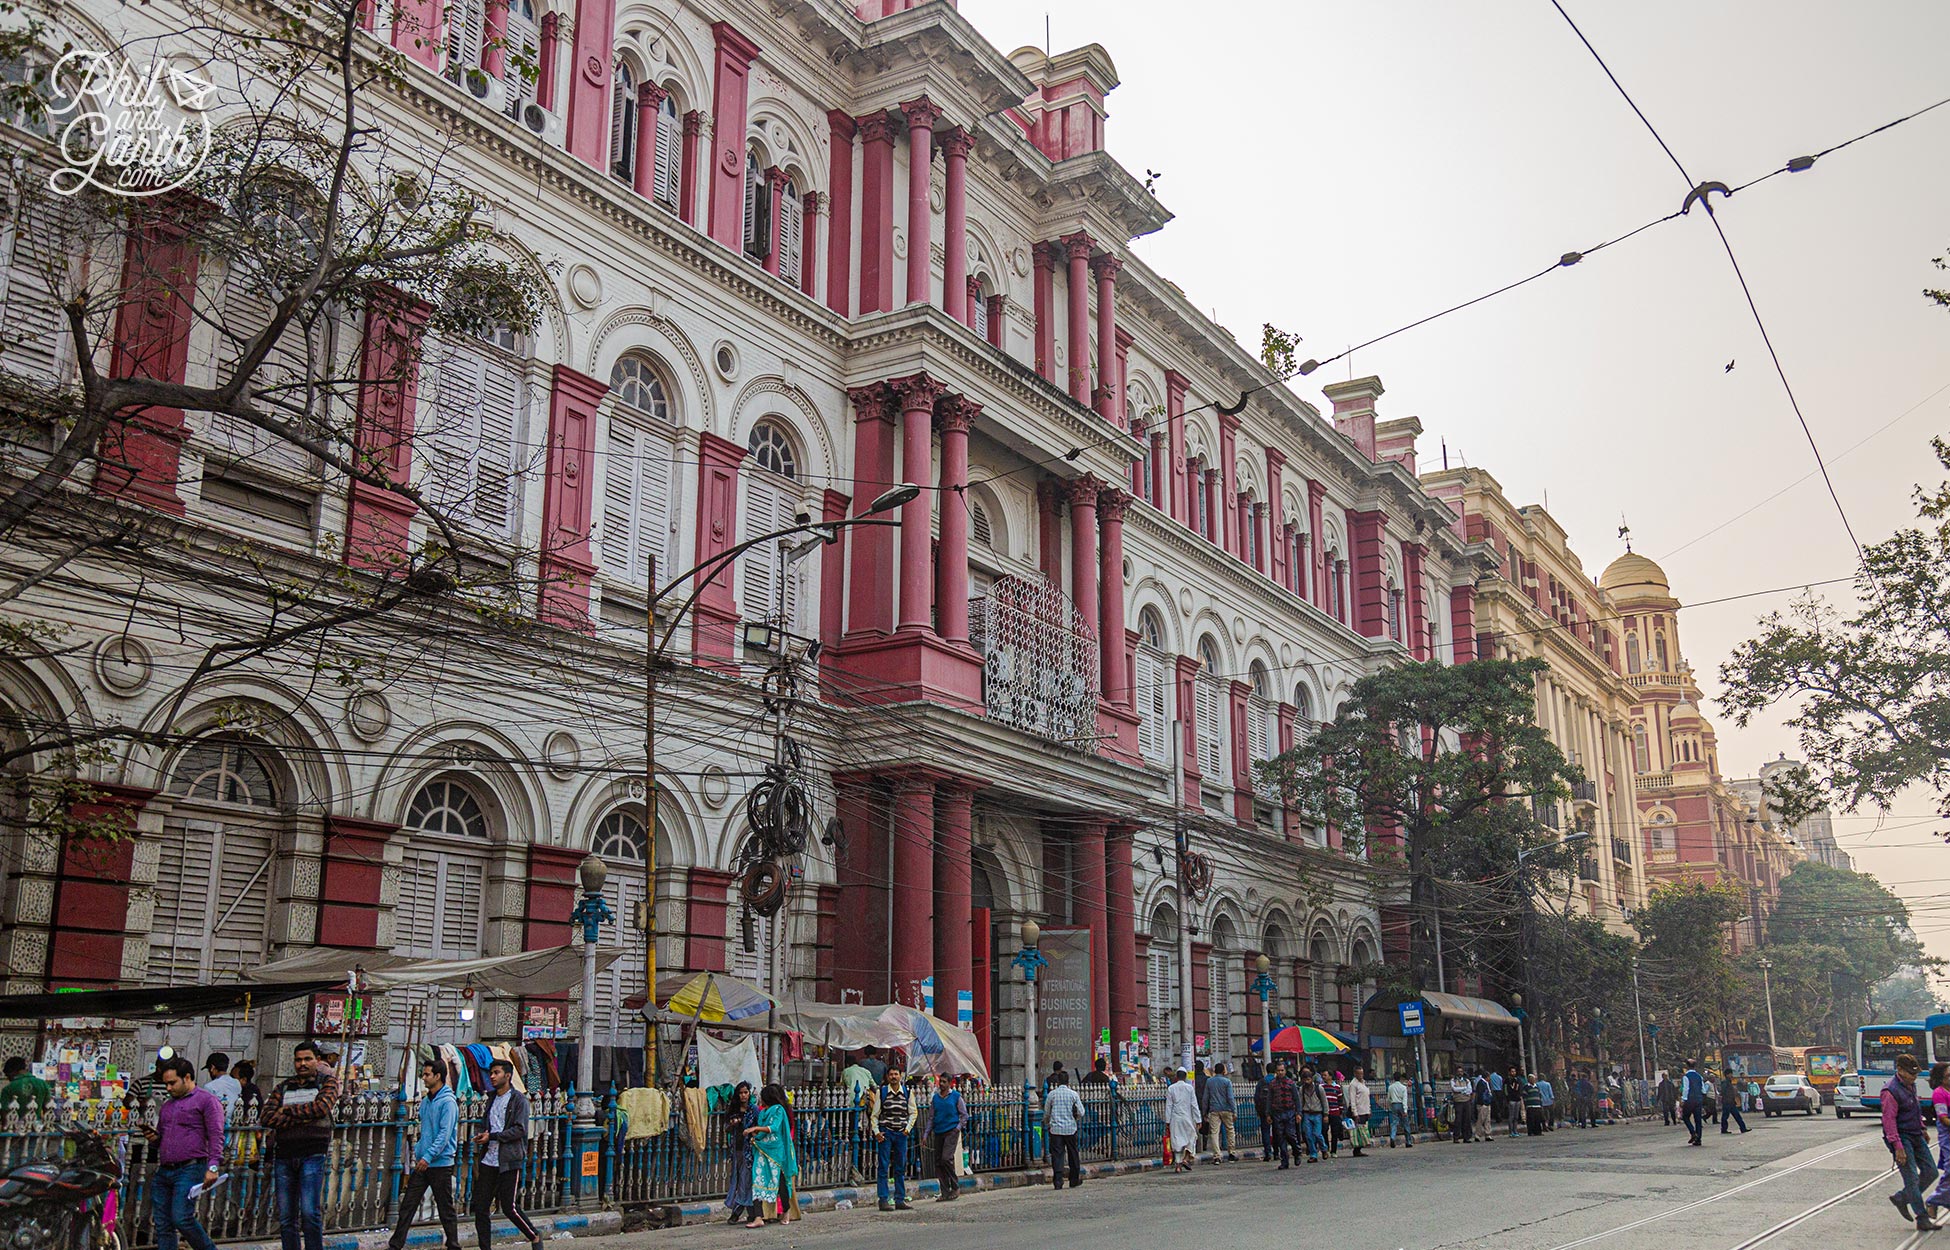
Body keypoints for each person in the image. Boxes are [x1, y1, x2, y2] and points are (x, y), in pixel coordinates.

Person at [262, 1040, 340, 1250]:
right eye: (298, 1060)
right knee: (286, 1216)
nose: (302, 1064)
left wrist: (286, 1111)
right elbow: (266, 1117)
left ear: (317, 1060)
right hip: (285, 1154)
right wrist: (303, 1115)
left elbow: (321, 1108)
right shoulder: (284, 1086)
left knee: (309, 1212)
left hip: (313, 1153)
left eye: (307, 1059)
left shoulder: (327, 1082)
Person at [147, 1056, 223, 1250]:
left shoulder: (206, 1101)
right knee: (163, 1225)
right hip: (165, 1170)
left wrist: (213, 1167)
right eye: (166, 1084)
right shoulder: (167, 1106)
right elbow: (162, 1138)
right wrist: (154, 1139)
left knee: (181, 1218)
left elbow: (216, 1135)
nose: (169, 1088)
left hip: (190, 1168)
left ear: (187, 1077)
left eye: (172, 1083)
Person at [387, 1060, 459, 1250]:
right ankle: (395, 1245)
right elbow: (425, 1130)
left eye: (427, 1074)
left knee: (445, 1209)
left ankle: (453, 1244)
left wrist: (428, 1156)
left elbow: (444, 1135)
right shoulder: (427, 1101)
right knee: (408, 1205)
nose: (424, 1078)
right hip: (424, 1162)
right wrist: (420, 1152)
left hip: (440, 1163)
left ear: (438, 1076)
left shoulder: (448, 1102)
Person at [471, 1058, 540, 1250]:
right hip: (489, 1159)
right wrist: (483, 1135)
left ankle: (534, 1236)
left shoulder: (519, 1100)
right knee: (481, 1206)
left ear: (507, 1076)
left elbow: (519, 1130)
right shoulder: (492, 1098)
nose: (492, 1077)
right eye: (491, 1073)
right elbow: (488, 1122)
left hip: (509, 1159)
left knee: (509, 1207)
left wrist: (492, 1136)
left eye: (496, 1073)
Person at [1885, 1053, 1938, 1232]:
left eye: (1915, 1074)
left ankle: (1902, 1198)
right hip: (1901, 1138)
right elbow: (1889, 1121)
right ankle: (1922, 1218)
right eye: (1910, 1074)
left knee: (1931, 1171)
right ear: (1899, 1070)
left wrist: (1922, 1128)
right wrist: (1897, 1146)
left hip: (1916, 1134)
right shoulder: (1890, 1090)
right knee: (1912, 1178)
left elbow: (1915, 1108)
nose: (1913, 1077)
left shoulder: (1910, 1086)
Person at [746, 1084, 798, 1227]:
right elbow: (763, 1132)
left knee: (780, 1182)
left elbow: (773, 1128)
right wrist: (755, 1136)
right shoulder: (763, 1112)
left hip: (775, 1152)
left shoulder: (779, 1110)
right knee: (757, 1180)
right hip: (762, 1150)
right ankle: (758, 1217)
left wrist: (755, 1128)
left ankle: (786, 1211)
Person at [871, 1068, 913, 1212]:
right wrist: (876, 1132)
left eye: (896, 1074)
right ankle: (883, 1199)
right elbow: (875, 1115)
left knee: (900, 1166)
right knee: (883, 1166)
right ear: (887, 1077)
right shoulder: (882, 1092)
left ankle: (899, 1199)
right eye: (891, 1074)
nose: (894, 1077)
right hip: (886, 1133)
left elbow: (913, 1112)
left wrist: (907, 1129)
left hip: (901, 1133)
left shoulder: (907, 1092)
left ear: (900, 1076)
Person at [926, 1072, 966, 1200]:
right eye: (940, 1082)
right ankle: (945, 1191)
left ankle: (955, 1185)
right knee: (938, 1162)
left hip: (951, 1131)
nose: (942, 1084)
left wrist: (957, 1128)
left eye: (944, 1082)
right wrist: (926, 1134)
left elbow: (964, 1115)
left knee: (946, 1158)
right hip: (939, 1131)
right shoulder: (936, 1098)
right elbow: (931, 1117)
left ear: (949, 1083)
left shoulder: (956, 1096)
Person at [1044, 1069, 1085, 1189]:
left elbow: (1046, 1113)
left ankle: (1058, 1180)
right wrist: (1075, 1118)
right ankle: (1074, 1179)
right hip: (1070, 1128)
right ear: (1068, 1081)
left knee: (1057, 1155)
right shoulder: (1073, 1094)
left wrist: (1048, 1123)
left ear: (1057, 1082)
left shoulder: (1052, 1094)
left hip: (1056, 1129)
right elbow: (1081, 1112)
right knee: (1073, 1154)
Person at [1924, 1062, 1950, 1224]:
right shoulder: (1939, 1093)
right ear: (1941, 1078)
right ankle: (1933, 1200)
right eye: (1948, 1076)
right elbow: (1943, 1118)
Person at [1164, 1068, 1200, 1171]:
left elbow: (1169, 1106)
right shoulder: (1189, 1088)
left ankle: (1178, 1165)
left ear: (1176, 1077)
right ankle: (1186, 1158)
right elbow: (1194, 1105)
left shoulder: (1171, 1088)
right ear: (1185, 1077)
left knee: (1177, 1141)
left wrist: (1167, 1121)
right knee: (1192, 1137)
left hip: (1175, 1118)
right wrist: (1198, 1119)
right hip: (1187, 1117)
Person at [1266, 1063, 1300, 1168]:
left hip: (1289, 1112)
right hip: (1277, 1113)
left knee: (1290, 1135)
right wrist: (1268, 1114)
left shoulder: (1291, 1083)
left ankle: (1296, 1151)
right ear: (1276, 1072)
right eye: (1278, 1071)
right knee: (1280, 1137)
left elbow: (1296, 1099)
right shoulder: (1272, 1084)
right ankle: (1284, 1161)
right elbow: (1269, 1100)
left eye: (1282, 1070)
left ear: (1285, 1071)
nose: (1280, 1072)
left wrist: (1298, 1113)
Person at [1203, 1061, 1237, 1162]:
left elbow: (1206, 1098)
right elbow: (1230, 1097)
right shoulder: (1227, 1082)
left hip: (1214, 1110)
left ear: (1214, 1071)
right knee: (1230, 1130)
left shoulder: (1209, 1082)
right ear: (1223, 1071)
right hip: (1226, 1109)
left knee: (1214, 1133)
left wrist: (1205, 1112)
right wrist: (1234, 1110)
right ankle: (1231, 1153)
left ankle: (1217, 1156)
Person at [1298, 1065, 1328, 1163]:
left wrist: (1326, 1114)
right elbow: (1300, 1102)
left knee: (1317, 1134)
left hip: (1317, 1114)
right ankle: (1313, 1154)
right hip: (1307, 1114)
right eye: (1305, 1079)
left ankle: (1324, 1148)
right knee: (1308, 1135)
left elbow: (1324, 1102)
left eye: (1308, 1079)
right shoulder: (1302, 1090)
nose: (1307, 1081)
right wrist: (1299, 1114)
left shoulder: (1319, 1089)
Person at [203, 1053, 242, 1124]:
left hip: (216, 1123)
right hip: (233, 1124)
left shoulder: (210, 1086)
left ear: (212, 1067)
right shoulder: (236, 1083)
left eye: (209, 1069)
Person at [1346, 1067, 1372, 1157]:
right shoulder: (1353, 1085)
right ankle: (1356, 1149)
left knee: (1363, 1130)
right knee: (1359, 1131)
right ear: (1355, 1074)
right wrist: (1355, 1113)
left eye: (1362, 1073)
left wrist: (1369, 1110)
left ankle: (1359, 1148)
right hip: (1358, 1111)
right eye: (1359, 1073)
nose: (1361, 1075)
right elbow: (1352, 1100)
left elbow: (1367, 1097)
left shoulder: (1363, 1083)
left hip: (1364, 1110)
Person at [1680, 1061, 1706, 1146]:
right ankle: (1698, 1139)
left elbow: (1686, 1089)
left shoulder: (1686, 1077)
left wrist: (1683, 1100)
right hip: (1698, 1100)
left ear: (1687, 1066)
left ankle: (1692, 1132)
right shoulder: (1699, 1076)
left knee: (1685, 1116)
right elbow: (1703, 1089)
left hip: (1690, 1100)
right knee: (1698, 1120)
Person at [1321, 1068, 1345, 1157]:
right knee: (1324, 1130)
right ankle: (1326, 1148)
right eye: (1323, 1075)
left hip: (1335, 1112)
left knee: (1335, 1132)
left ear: (1330, 1076)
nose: (1323, 1077)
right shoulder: (1322, 1087)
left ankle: (1333, 1151)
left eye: (1325, 1075)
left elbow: (1340, 1100)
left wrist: (1340, 1111)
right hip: (1326, 1113)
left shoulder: (1337, 1087)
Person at [1385, 1072, 1413, 1148]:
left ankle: (1392, 1137)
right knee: (1405, 1123)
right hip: (1401, 1105)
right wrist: (1405, 1110)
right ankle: (1408, 1141)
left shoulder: (1390, 1087)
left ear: (1394, 1078)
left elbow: (1389, 1099)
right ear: (1400, 1078)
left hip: (1394, 1104)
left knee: (1394, 1122)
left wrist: (1390, 1106)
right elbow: (1404, 1099)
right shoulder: (1403, 1087)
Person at [1717, 1070, 1749, 1135]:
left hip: (1731, 1102)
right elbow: (1723, 1091)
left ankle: (1743, 1128)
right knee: (1725, 1116)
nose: (1732, 1075)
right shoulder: (1725, 1082)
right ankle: (1724, 1129)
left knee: (1737, 1115)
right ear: (1727, 1075)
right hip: (1727, 1102)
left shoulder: (1728, 1082)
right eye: (1730, 1074)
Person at [1448, 1072, 1473, 1144]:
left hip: (1466, 1101)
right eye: (1458, 1071)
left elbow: (1469, 1090)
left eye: (1461, 1072)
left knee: (1467, 1119)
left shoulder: (1467, 1080)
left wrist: (1461, 1090)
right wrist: (1464, 1089)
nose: (1460, 1073)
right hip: (1458, 1101)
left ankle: (1466, 1137)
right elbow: (1454, 1089)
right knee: (1458, 1120)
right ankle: (1456, 1137)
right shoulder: (1453, 1080)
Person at [1473, 1070, 1495, 1143]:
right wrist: (1483, 1102)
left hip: (1487, 1103)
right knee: (1481, 1119)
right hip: (1483, 1104)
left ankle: (1487, 1133)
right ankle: (1477, 1134)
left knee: (1487, 1120)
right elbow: (1481, 1094)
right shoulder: (1481, 1083)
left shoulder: (1486, 1083)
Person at [1524, 1072, 1545, 1137]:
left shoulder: (1537, 1086)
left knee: (1538, 1120)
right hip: (1530, 1106)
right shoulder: (1526, 1087)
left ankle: (1538, 1132)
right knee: (1531, 1120)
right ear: (1529, 1080)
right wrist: (1526, 1104)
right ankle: (1531, 1132)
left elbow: (1540, 1095)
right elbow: (1524, 1096)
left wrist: (1540, 1104)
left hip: (1537, 1106)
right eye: (1531, 1079)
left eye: (1534, 1079)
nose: (1533, 1080)